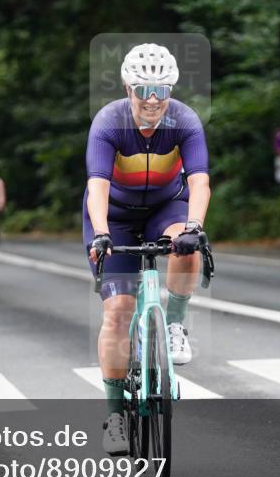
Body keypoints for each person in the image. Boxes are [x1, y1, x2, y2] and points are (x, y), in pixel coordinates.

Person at [84, 43, 211, 455]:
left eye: (161, 89)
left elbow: (199, 183)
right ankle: (116, 414)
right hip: (116, 217)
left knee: (185, 246)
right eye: (143, 90)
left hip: (164, 208)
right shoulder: (109, 122)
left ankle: (174, 324)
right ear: (128, 88)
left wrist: (194, 226)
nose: (153, 99)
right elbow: (97, 187)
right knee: (118, 312)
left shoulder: (185, 121)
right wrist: (102, 233)